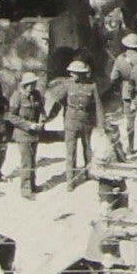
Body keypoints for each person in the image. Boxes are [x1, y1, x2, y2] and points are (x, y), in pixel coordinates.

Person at [62, 59, 100, 187]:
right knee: (71, 150)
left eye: (77, 73)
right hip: (71, 121)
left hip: (86, 120)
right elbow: (60, 102)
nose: (73, 75)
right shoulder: (67, 85)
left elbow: (98, 106)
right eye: (73, 72)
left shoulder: (92, 85)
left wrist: (101, 124)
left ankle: (89, 172)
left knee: (87, 148)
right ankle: (70, 180)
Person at [11, 72, 45, 197]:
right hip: (22, 133)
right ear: (24, 85)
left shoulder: (36, 95)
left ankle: (32, 185)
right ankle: (25, 190)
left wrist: (42, 121)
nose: (31, 86)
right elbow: (12, 116)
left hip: (34, 133)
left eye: (33, 84)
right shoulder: (17, 96)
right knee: (26, 161)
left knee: (32, 159)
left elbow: (41, 110)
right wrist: (28, 125)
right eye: (29, 84)